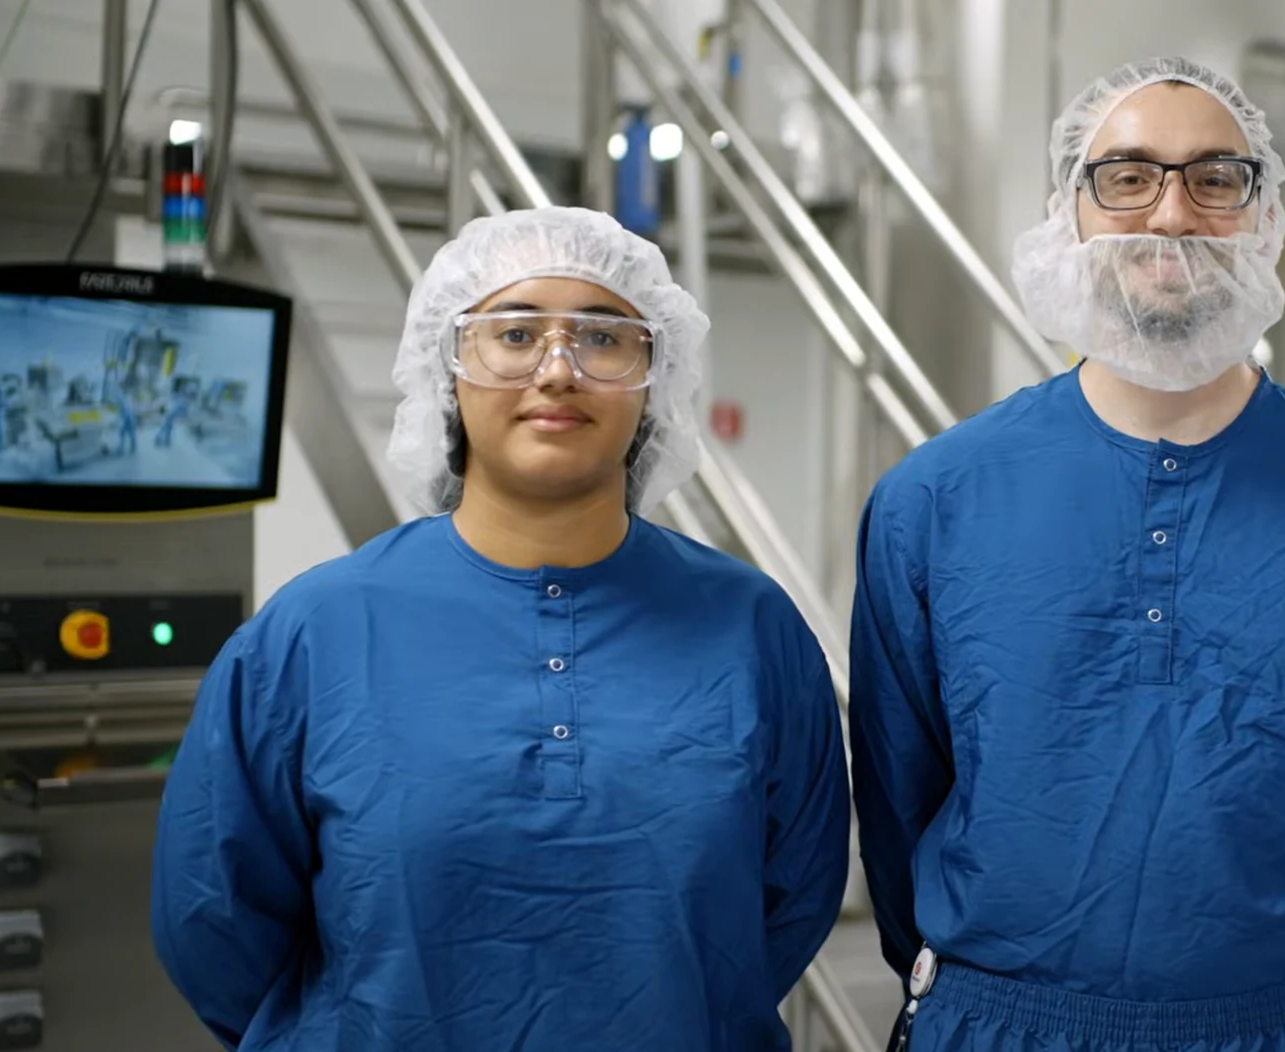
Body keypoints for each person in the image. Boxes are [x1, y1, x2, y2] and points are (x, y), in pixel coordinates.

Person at [850, 57, 1285, 1052]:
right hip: (1000, 1021)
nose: (1171, 215)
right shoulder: (936, 496)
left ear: (1265, 218)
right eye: (1127, 176)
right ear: (1069, 212)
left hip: (1280, 1024)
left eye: (1215, 179)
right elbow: (896, 789)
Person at [150, 206, 849, 1051]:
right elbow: (213, 917)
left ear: (654, 380)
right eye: (514, 335)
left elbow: (794, 894)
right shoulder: (314, 631)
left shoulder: (749, 626)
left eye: (602, 338)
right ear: (448, 371)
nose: (558, 371)